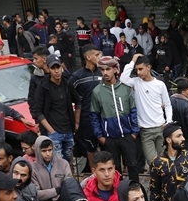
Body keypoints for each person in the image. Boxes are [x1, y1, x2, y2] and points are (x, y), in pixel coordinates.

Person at [89, 55, 142, 183]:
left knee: (133, 166)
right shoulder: (97, 91)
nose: (105, 73)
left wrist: (134, 132)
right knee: (114, 168)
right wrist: (100, 137)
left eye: (108, 69)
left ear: (115, 69)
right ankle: (117, 195)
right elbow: (94, 115)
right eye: (102, 70)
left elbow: (133, 110)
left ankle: (135, 191)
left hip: (128, 135)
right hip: (109, 138)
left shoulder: (125, 88)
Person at [121, 54, 173, 169]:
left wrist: (169, 121)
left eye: (140, 69)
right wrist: (132, 60)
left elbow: (168, 105)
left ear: (148, 67)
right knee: (153, 163)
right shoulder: (136, 82)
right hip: (145, 131)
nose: (138, 72)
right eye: (136, 70)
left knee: (165, 161)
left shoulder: (160, 85)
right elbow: (123, 79)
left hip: (161, 128)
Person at [33, 55, 80, 162]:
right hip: (54, 132)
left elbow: (78, 101)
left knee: (68, 161)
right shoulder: (43, 86)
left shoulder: (67, 83)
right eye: (53, 68)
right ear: (48, 69)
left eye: (58, 67)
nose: (56, 71)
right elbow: (38, 111)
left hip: (68, 129)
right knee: (57, 164)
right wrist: (51, 131)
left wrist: (76, 122)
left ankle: (69, 178)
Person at [148, 124, 188, 201]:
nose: (183, 138)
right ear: (168, 140)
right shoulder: (157, 162)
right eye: (178, 136)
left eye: (182, 135)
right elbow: (154, 190)